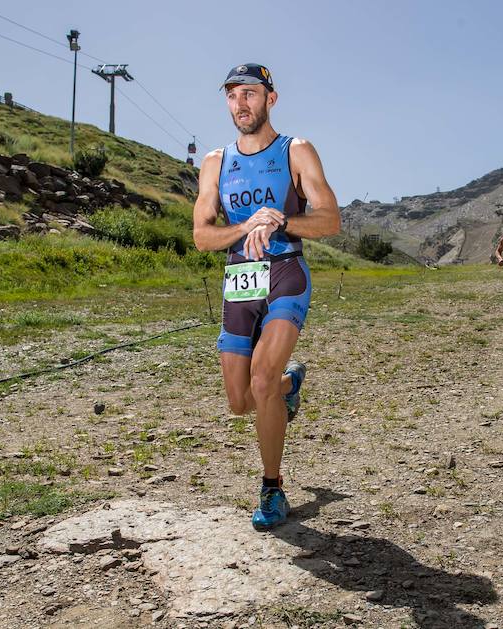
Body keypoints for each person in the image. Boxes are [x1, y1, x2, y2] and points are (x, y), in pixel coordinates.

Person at [192, 63, 340, 530]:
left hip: (285, 273)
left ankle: (272, 488)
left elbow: (330, 219)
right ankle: (288, 388)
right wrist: (245, 226)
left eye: (250, 93)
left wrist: (278, 220)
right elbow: (202, 236)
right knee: (240, 400)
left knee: (261, 376)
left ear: (270, 99)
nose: (241, 103)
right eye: (233, 94)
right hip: (240, 280)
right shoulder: (215, 162)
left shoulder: (295, 150)